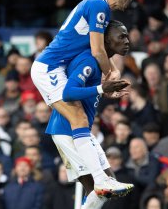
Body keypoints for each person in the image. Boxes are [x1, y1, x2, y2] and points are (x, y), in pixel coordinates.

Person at [31, 0, 134, 187]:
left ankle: (101, 180)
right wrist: (109, 76)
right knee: (79, 119)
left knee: (81, 120)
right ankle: (101, 179)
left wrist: (111, 71)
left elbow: (97, 48)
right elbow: (97, 50)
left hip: (56, 67)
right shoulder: (100, 7)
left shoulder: (96, 5)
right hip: (49, 68)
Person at [46, 20, 134, 209]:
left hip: (81, 131)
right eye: (121, 36)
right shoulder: (88, 61)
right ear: (106, 41)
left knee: (107, 185)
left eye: (127, 36)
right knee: (96, 188)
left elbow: (88, 92)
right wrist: (102, 88)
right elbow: (68, 93)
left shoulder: (100, 64)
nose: (127, 40)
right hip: (67, 129)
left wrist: (105, 91)